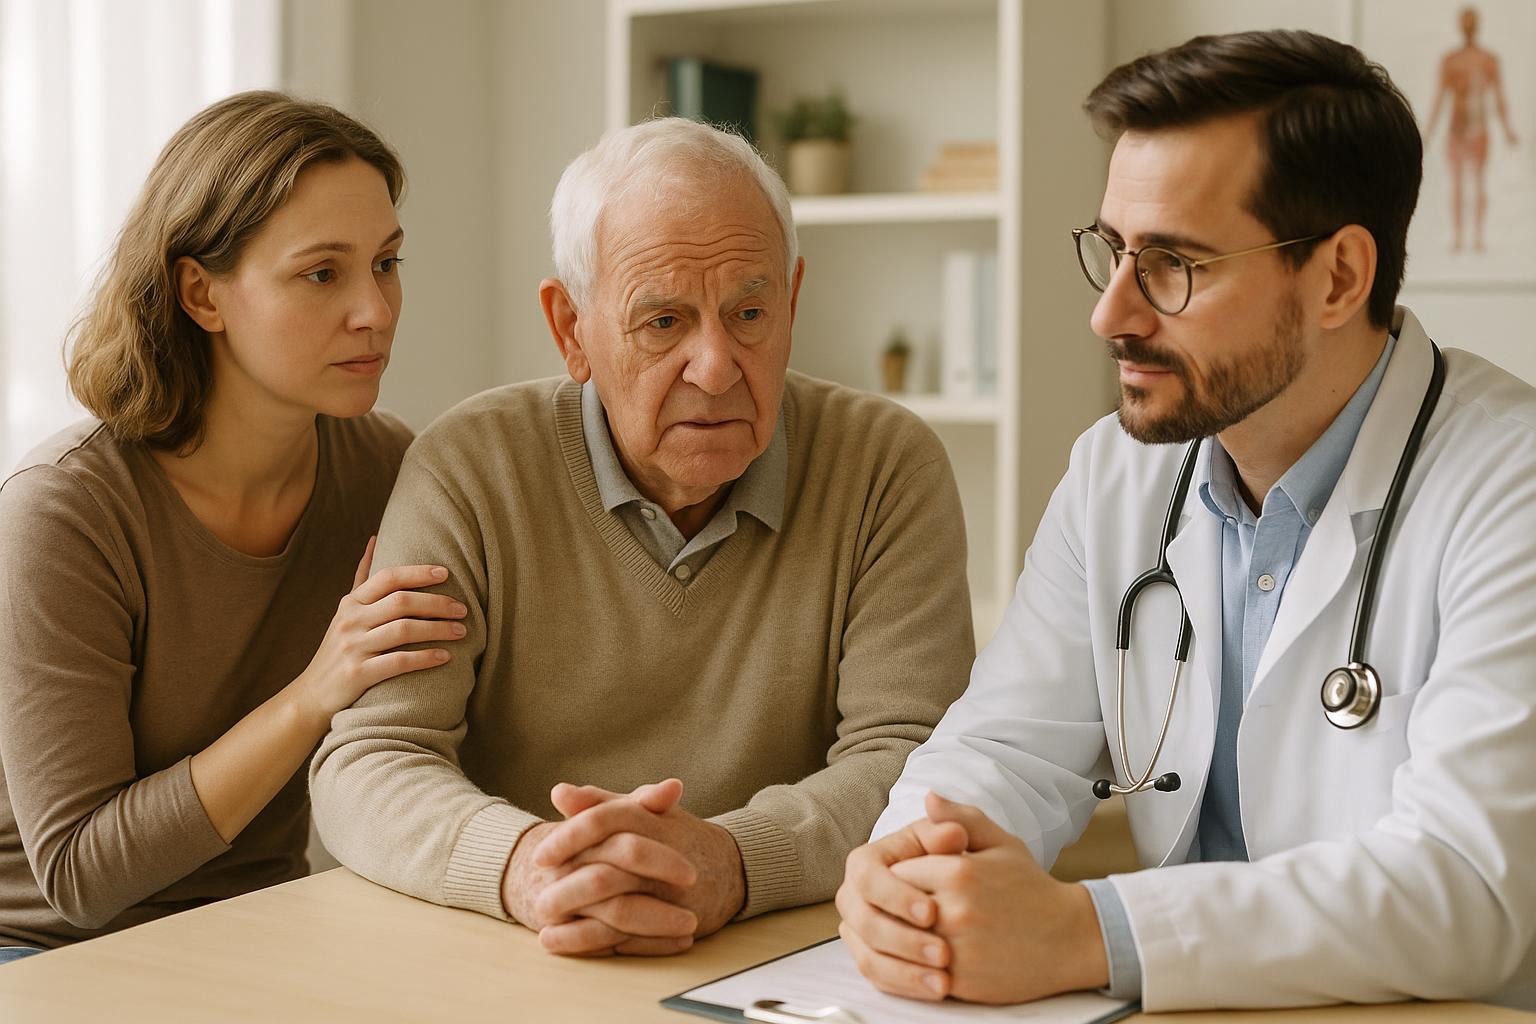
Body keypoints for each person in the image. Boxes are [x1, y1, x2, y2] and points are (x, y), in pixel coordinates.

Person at [839, 29, 1536, 1012]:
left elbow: (1467, 888)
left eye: (1174, 263)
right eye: (1115, 251)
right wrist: (910, 865)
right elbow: (1001, 749)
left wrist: (1087, 930)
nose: (1112, 311)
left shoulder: (1512, 486)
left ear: (1338, 277)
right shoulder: (1116, 471)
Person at [310, 117, 975, 958]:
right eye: (663, 321)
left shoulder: (885, 465)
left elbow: (915, 756)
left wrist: (733, 862)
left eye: (750, 312)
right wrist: (532, 867)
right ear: (571, 331)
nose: (715, 365)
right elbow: (368, 761)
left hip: (780, 954)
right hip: (513, 954)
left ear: (793, 300)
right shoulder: (470, 467)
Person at [0, 91, 464, 959]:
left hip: (259, 929)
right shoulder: (62, 512)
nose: (375, 310)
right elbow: (79, 874)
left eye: (387, 263)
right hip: (42, 954)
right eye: (322, 273)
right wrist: (315, 690)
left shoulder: (388, 468)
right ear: (201, 294)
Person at [1425, 5, 1520, 252]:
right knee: (1457, 184)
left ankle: (1477, 236)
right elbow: (1439, 98)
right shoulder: (1450, 61)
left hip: (1479, 131)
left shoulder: (1488, 61)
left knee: (1477, 183)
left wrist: (1508, 129)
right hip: (1456, 130)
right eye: (1465, 22)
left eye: (1471, 22)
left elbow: (1499, 97)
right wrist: (1428, 131)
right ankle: (1459, 236)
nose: (1468, 27)